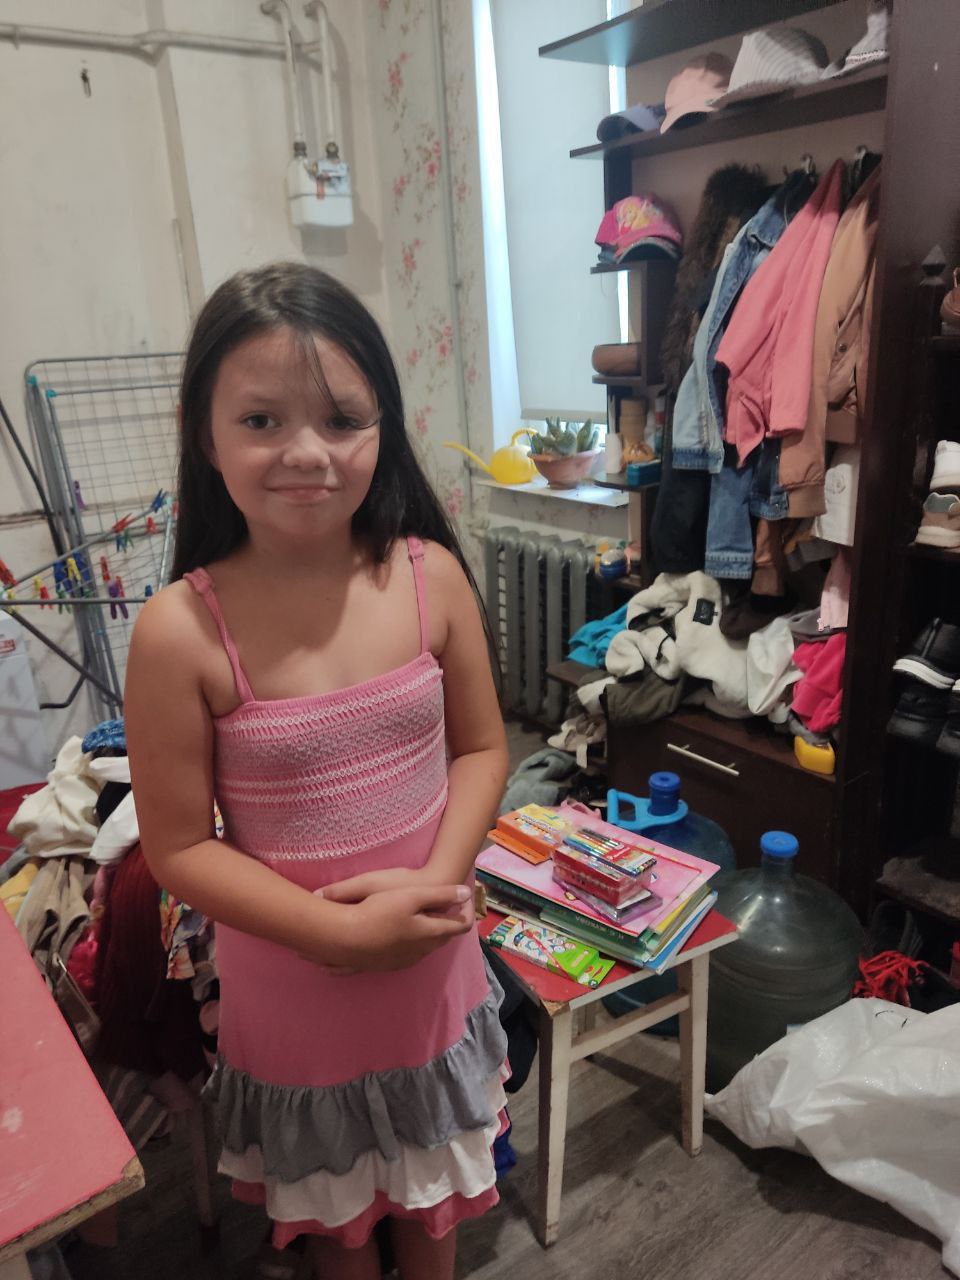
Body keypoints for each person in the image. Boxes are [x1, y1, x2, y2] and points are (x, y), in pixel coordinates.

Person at [125, 262, 510, 1280]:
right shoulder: (179, 629)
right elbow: (177, 845)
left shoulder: (431, 576)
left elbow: (482, 749)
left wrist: (430, 890)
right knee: (338, 1226)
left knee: (432, 1203)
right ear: (206, 434)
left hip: (430, 957)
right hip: (292, 986)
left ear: (382, 425)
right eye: (261, 420)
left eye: (341, 418)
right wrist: (337, 932)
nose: (306, 451)